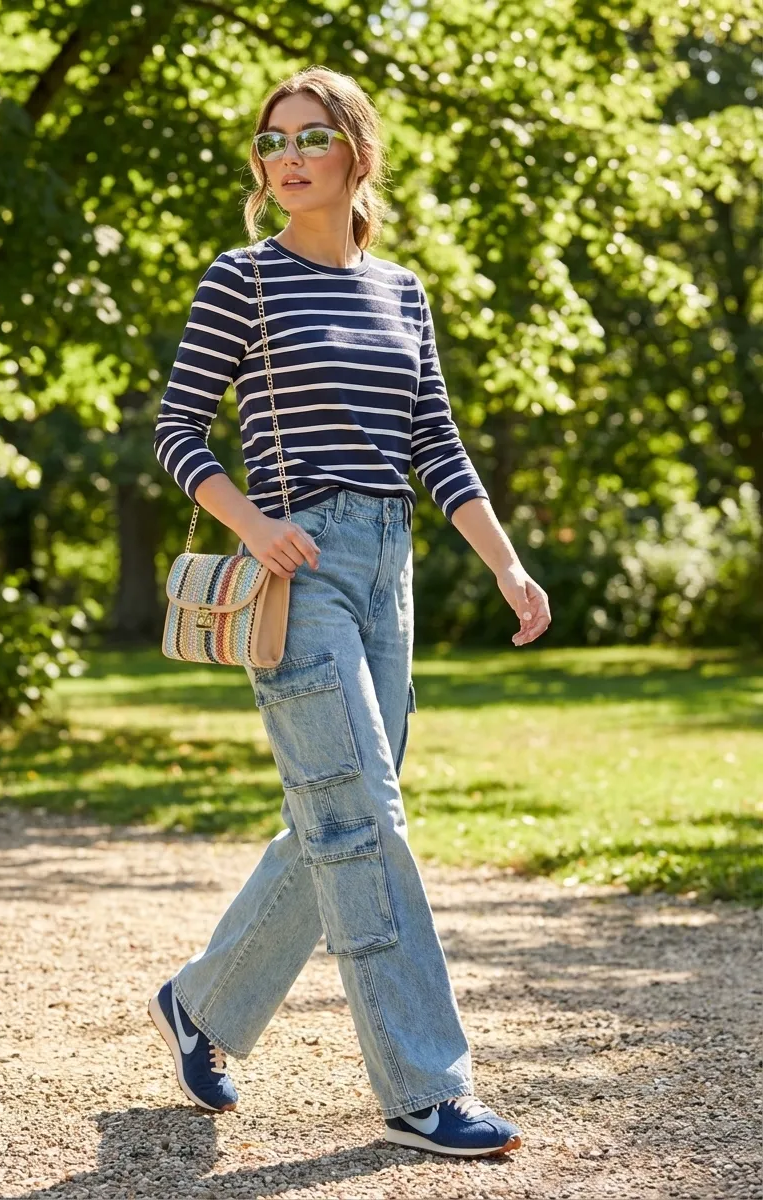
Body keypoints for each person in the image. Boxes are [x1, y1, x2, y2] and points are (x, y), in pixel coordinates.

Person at [149, 65, 551, 1159]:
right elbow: (179, 429)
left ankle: (201, 1005)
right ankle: (426, 1086)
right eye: (271, 140)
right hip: (300, 567)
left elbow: (437, 445)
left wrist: (508, 569)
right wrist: (249, 523)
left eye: (310, 136)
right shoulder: (242, 281)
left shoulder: (402, 291)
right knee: (364, 816)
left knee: (338, 817)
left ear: (354, 155)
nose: (286, 155)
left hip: (391, 567)